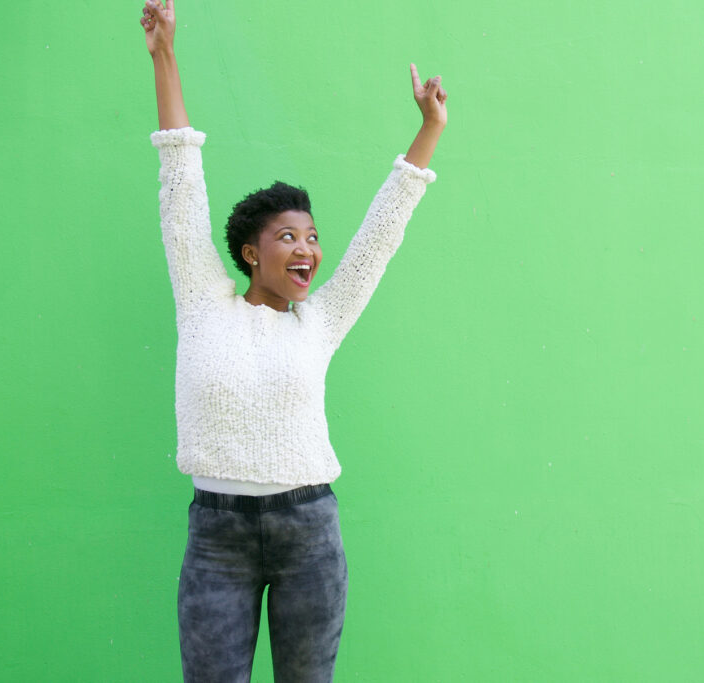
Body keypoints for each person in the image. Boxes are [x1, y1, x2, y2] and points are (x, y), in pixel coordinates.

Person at [140, 1, 447, 681]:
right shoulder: (201, 300)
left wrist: (427, 131)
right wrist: (165, 54)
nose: (307, 248)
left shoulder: (323, 318)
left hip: (310, 533)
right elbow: (180, 181)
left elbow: (380, 234)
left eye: (311, 237)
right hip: (217, 537)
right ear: (250, 253)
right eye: (288, 237)